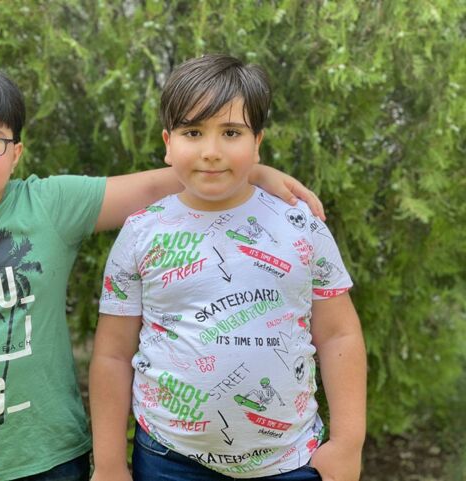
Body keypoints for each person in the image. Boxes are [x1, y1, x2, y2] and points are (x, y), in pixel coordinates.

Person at [0, 64, 323, 481]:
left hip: (49, 459)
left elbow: (157, 184)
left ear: (16, 152)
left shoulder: (49, 206)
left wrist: (251, 173)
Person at [90, 54, 366, 481]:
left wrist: (348, 444)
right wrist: (109, 463)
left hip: (289, 461)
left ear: (258, 143)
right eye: (193, 132)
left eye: (231, 132)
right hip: (169, 460)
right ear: (167, 143)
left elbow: (338, 334)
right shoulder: (142, 232)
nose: (211, 151)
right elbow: (112, 354)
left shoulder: (300, 224)